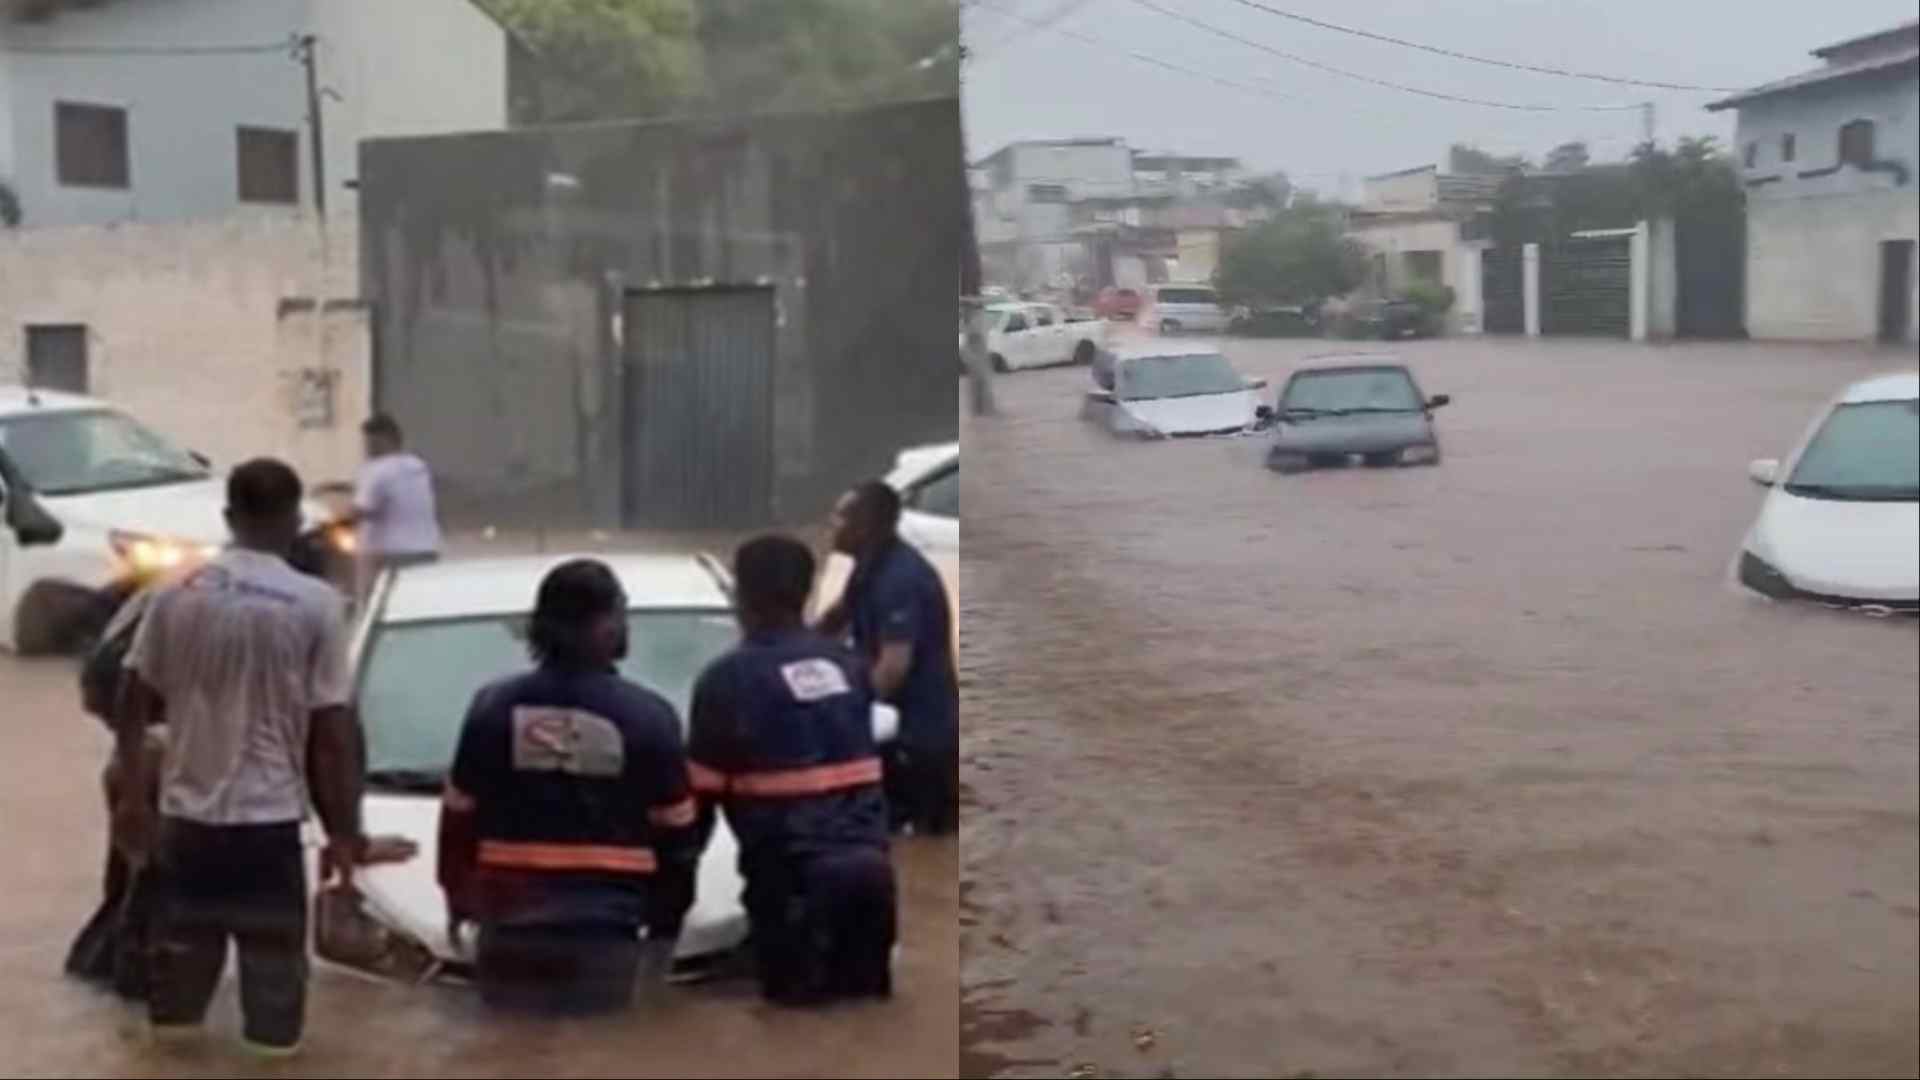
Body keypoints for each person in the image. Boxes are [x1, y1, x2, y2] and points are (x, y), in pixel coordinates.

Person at [112, 459, 375, 1057]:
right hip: (268, 831)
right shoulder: (316, 605)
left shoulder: (175, 593)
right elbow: (331, 734)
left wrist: (132, 799)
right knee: (274, 1025)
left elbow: (132, 697)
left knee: (174, 1015)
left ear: (229, 517)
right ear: (295, 521)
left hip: (186, 828)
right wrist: (343, 832)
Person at [437, 559, 700, 1015]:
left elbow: (458, 820)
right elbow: (677, 840)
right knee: (597, 1046)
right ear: (603, 626)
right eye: (621, 613)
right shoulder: (649, 717)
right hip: (604, 931)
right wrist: (664, 924)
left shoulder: (492, 709)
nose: (626, 626)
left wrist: (457, 898)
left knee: (510, 1046)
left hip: (509, 928)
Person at [688, 535, 896, 1005]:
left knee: (794, 1022)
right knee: (866, 1020)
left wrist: (670, 893)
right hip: (872, 880)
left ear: (742, 595)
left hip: (792, 887)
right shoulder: (848, 666)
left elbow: (697, 805)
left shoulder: (727, 680)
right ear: (807, 591)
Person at [816, 481, 958, 836]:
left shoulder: (900, 579)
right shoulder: (868, 568)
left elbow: (894, 667)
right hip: (895, 728)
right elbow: (833, 620)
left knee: (920, 838)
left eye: (840, 516)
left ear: (864, 524)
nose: (831, 523)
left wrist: (850, 719)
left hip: (918, 736)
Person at [334, 414, 441, 606]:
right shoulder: (418, 466)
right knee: (421, 604)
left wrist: (335, 522)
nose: (366, 447)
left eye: (369, 442)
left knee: (378, 605)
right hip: (425, 548)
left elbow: (362, 509)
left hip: (386, 554)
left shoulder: (376, 470)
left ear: (383, 440)